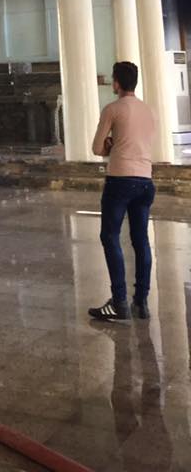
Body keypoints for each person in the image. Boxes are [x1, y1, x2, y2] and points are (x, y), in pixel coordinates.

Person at [89, 61, 157, 322]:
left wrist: (110, 145)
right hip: (145, 181)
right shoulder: (148, 110)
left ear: (116, 82)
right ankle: (141, 301)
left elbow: (97, 148)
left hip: (120, 180)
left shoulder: (113, 109)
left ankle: (119, 302)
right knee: (140, 240)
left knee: (110, 236)